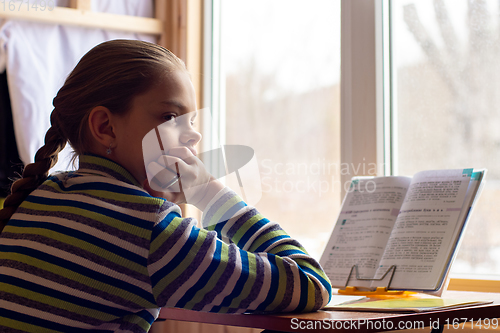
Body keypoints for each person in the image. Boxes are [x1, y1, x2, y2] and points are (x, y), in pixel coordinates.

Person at [0, 39, 332, 332]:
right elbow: (309, 284)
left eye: (192, 120)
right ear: (106, 127)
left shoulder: (41, 196)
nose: (194, 134)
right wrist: (210, 194)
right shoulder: (151, 230)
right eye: (170, 117)